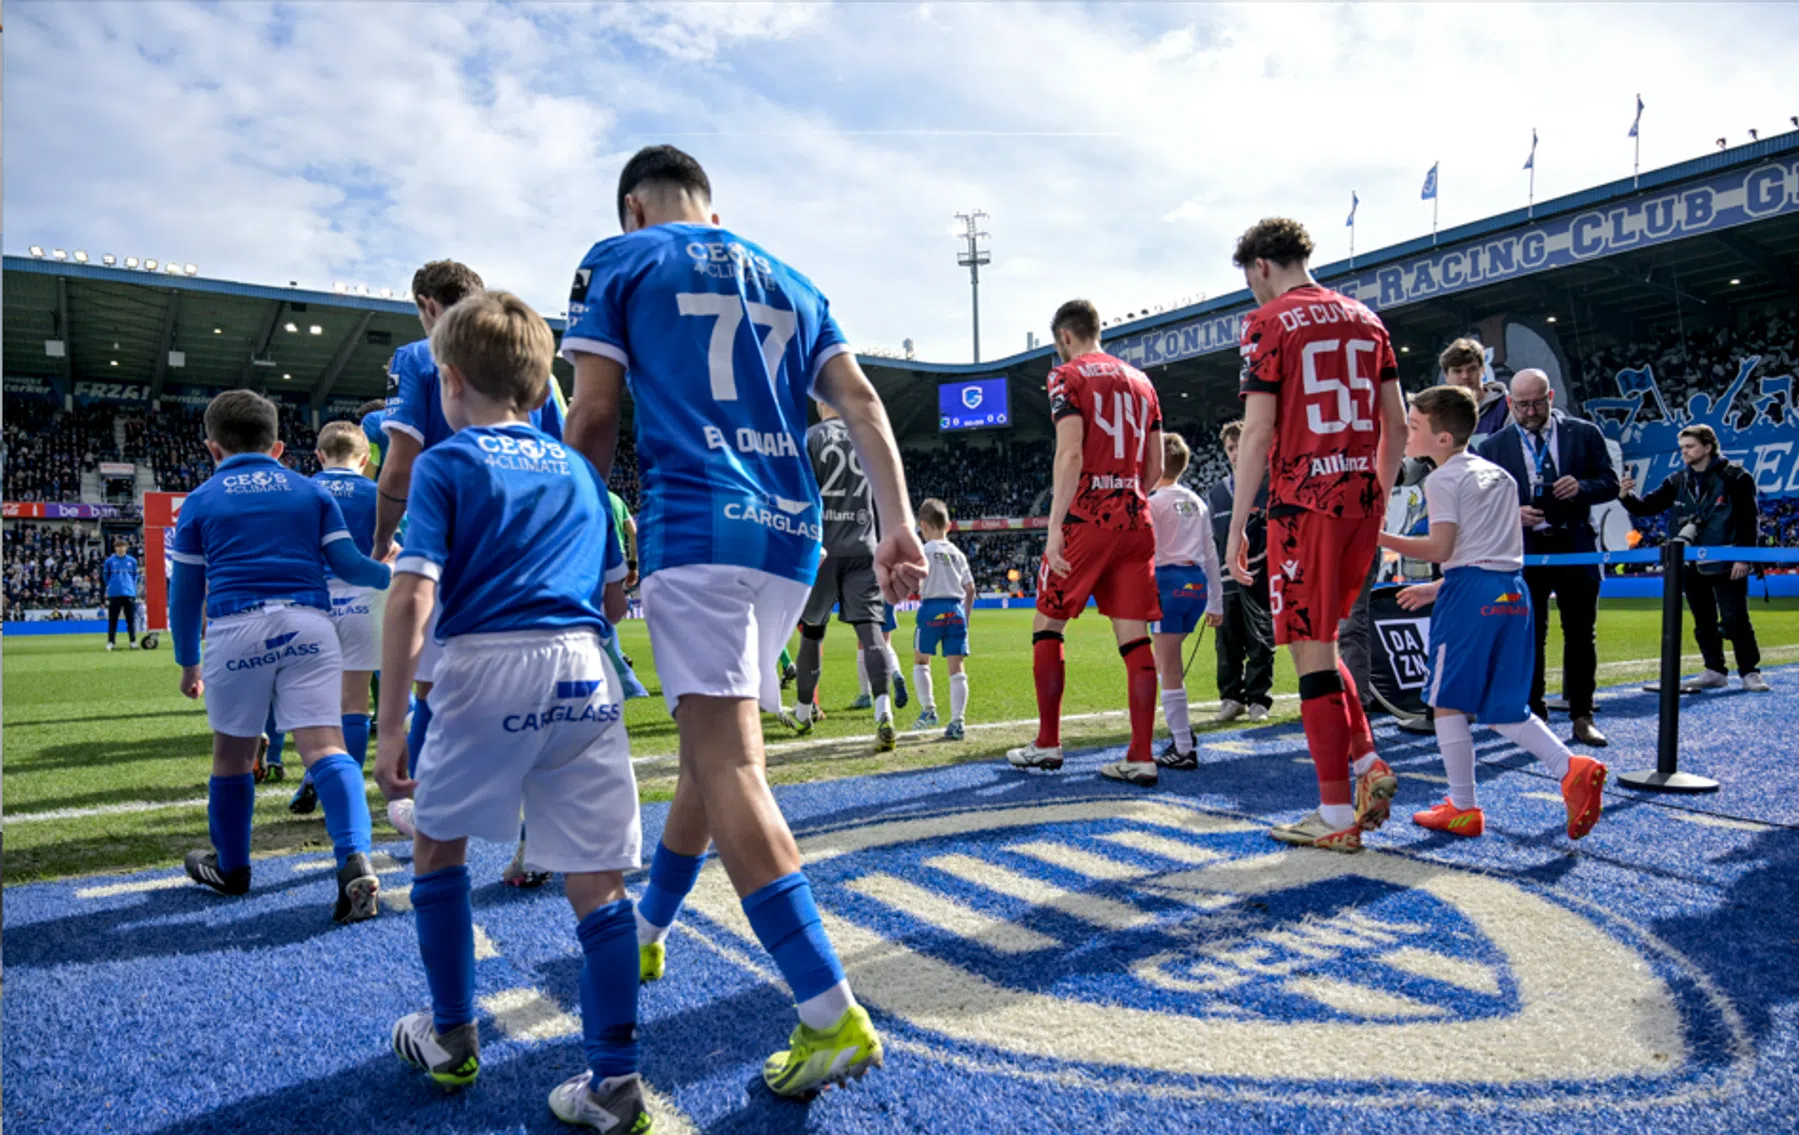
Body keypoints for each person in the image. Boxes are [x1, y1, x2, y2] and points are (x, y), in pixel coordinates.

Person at [559, 144, 925, 1099]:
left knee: (728, 763)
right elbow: (863, 402)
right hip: (788, 536)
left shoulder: (620, 258)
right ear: (709, 206)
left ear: (634, 206)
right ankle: (648, 933)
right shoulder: (795, 277)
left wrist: (561, 532)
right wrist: (895, 529)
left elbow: (593, 416)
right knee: (708, 753)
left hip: (698, 521)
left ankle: (826, 1007)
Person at [372, 291, 645, 1125]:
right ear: (537, 387)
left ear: (447, 380)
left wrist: (388, 723)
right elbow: (614, 598)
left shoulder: (446, 464)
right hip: (581, 669)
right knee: (597, 877)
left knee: (438, 847)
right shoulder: (580, 472)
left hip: (485, 663)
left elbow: (413, 593)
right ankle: (614, 1079)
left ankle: (452, 1034)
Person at [373, 258, 566, 885]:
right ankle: (533, 837)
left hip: (459, 538)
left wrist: (381, 540)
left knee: (440, 689)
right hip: (546, 552)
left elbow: (401, 466)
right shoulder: (543, 383)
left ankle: (432, 808)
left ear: (428, 306)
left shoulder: (422, 356)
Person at [169, 390, 390, 921]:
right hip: (311, 626)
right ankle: (355, 860)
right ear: (279, 446)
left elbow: (185, 597)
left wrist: (188, 662)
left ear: (213, 448)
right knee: (325, 744)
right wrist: (408, 576)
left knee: (233, 755)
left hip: (235, 628)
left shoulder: (200, 499)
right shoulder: (308, 492)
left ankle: (233, 868)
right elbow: (352, 565)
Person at [1224, 217, 1406, 851]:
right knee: (1324, 643)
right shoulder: (1368, 320)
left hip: (1303, 504)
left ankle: (1334, 817)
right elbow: (1399, 428)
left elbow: (1256, 432)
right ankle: (1366, 766)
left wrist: (1240, 522)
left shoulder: (1267, 323)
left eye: (1249, 280)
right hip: (1360, 500)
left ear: (1260, 267)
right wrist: (1375, 497)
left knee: (1306, 652)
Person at [1377, 385, 1608, 840]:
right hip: (1511, 592)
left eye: (1415, 425)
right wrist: (1438, 587)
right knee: (1505, 707)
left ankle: (1463, 806)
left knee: (1447, 703)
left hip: (1472, 595)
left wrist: (1379, 538)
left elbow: (1442, 548)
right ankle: (1571, 766)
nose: (1407, 433)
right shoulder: (1499, 475)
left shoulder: (1441, 479)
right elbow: (1494, 551)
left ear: (1443, 438)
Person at [1005, 298, 1167, 787]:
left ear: (1064, 337)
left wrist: (1056, 526)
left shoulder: (1066, 376)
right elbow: (1155, 467)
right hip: (1135, 515)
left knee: (1047, 624)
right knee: (1135, 636)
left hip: (1087, 517)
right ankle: (1141, 754)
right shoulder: (1143, 382)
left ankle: (1048, 744)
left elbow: (1071, 452)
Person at [1476, 369, 1619, 747]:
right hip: (1524, 552)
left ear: (1551, 397)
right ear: (1510, 404)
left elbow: (1611, 483)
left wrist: (1583, 487)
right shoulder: (1492, 447)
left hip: (1574, 547)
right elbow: (1481, 503)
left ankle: (1582, 715)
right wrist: (1513, 512)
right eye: (1521, 405)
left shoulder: (1583, 433)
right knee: (1528, 636)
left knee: (1580, 634)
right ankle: (1533, 714)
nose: (1530, 411)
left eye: (1537, 402)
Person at [1620, 423, 1769, 692]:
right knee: (1703, 620)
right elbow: (1646, 508)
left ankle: (1749, 671)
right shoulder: (1677, 480)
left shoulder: (1736, 477)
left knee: (1735, 618)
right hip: (1689, 562)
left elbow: (1749, 520)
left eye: (1690, 447)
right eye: (1682, 448)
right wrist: (1625, 496)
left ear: (1708, 447)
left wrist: (1744, 557)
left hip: (1727, 558)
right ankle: (1714, 669)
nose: (1684, 453)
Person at [792, 402, 900, 750]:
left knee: (812, 633)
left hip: (821, 550)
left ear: (821, 403)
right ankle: (883, 711)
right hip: (863, 546)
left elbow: (799, 496)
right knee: (871, 633)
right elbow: (885, 496)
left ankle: (804, 710)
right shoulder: (866, 436)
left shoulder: (809, 438)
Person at [288, 421, 383, 816]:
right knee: (355, 701)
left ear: (319, 456)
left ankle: (315, 775)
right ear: (365, 459)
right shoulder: (379, 492)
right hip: (364, 598)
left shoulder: (300, 491)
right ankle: (346, 795)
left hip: (313, 600)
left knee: (314, 704)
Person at [1147, 433, 1224, 768]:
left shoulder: (1153, 502)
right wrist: (1216, 603)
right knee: (1169, 662)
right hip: (1196, 584)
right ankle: (1182, 734)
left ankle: (1181, 746)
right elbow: (1210, 554)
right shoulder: (1197, 501)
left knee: (1168, 666)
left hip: (1168, 581)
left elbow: (1146, 551)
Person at [1205, 420, 1273, 723]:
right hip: (1227, 578)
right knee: (1227, 642)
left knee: (1260, 638)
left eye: (1240, 446)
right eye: (1230, 448)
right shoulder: (1217, 492)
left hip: (1262, 577)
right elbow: (1209, 540)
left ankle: (1258, 698)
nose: (1235, 453)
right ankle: (1231, 697)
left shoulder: (1271, 484)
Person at [909, 498, 975, 740]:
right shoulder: (958, 554)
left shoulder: (923, 552)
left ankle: (929, 710)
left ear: (923, 526)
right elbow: (971, 589)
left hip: (931, 609)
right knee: (957, 668)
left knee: (921, 661)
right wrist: (965, 620)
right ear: (948, 526)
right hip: (956, 611)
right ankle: (958, 721)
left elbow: (914, 582)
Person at [1438, 337, 1512, 445]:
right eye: (1457, 371)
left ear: (1483, 370)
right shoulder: (1437, 416)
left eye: (1472, 369)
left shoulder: (1506, 406)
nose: (1465, 376)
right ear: (1446, 377)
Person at [102, 537, 139, 651]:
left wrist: (131, 586)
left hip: (129, 593)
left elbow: (135, 576)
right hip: (114, 593)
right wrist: (111, 586)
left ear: (126, 548)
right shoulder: (109, 561)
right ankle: (111, 642)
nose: (120, 549)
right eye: (118, 547)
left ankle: (133, 641)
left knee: (130, 619)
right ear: (115, 548)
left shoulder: (132, 561)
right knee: (113, 619)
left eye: (122, 547)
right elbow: (105, 576)